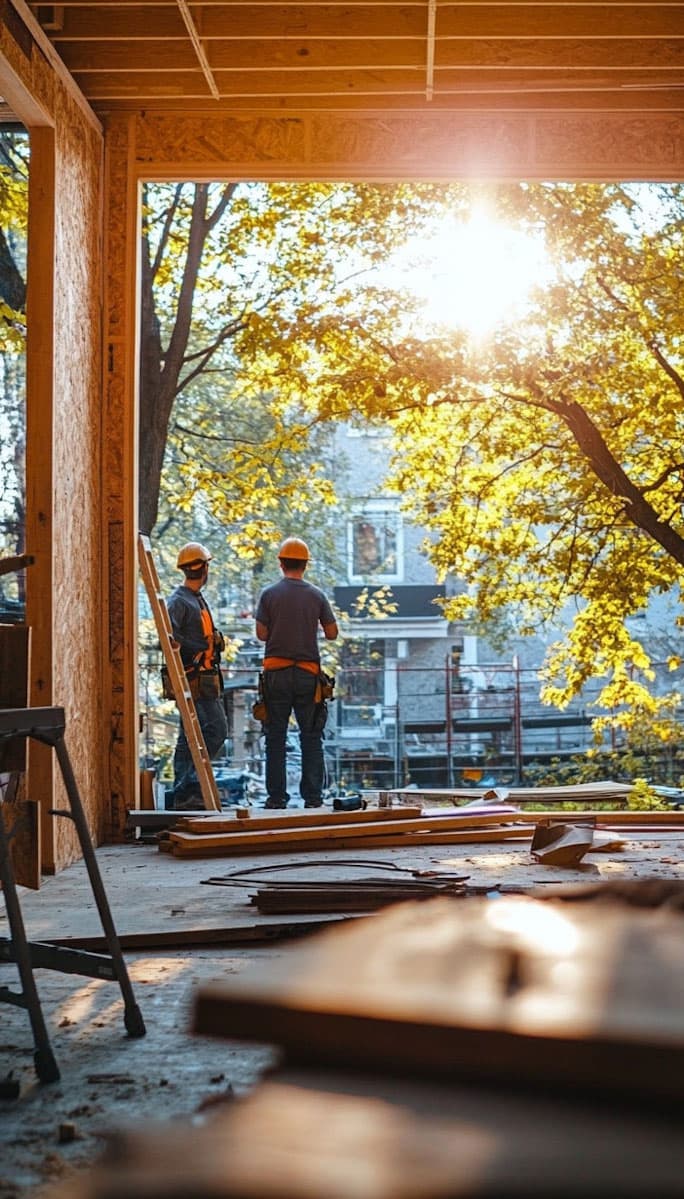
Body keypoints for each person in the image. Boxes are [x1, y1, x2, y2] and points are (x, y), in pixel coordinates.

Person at [255, 536, 338, 809]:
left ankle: (276, 798)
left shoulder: (269, 595)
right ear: (305, 565)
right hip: (306, 675)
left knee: (275, 737)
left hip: (276, 674)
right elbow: (332, 634)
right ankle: (313, 798)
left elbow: (261, 634)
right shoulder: (316, 595)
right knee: (311, 737)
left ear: (280, 563)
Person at [167, 541, 228, 809]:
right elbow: (170, 640)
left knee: (187, 737)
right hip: (193, 679)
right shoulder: (180, 602)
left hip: (204, 676)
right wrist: (195, 655)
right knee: (215, 729)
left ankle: (184, 795)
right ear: (203, 569)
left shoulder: (195, 599)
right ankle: (188, 785)